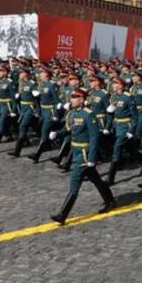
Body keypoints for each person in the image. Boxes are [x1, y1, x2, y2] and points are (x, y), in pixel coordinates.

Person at [49, 88, 116, 225]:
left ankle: (63, 214)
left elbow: (94, 137)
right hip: (76, 151)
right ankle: (110, 201)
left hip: (85, 154)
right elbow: (68, 129)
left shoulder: (88, 115)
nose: (72, 99)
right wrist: (57, 133)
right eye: (72, 97)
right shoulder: (72, 114)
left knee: (75, 182)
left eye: (75, 97)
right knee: (96, 179)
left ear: (82, 100)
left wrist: (92, 158)